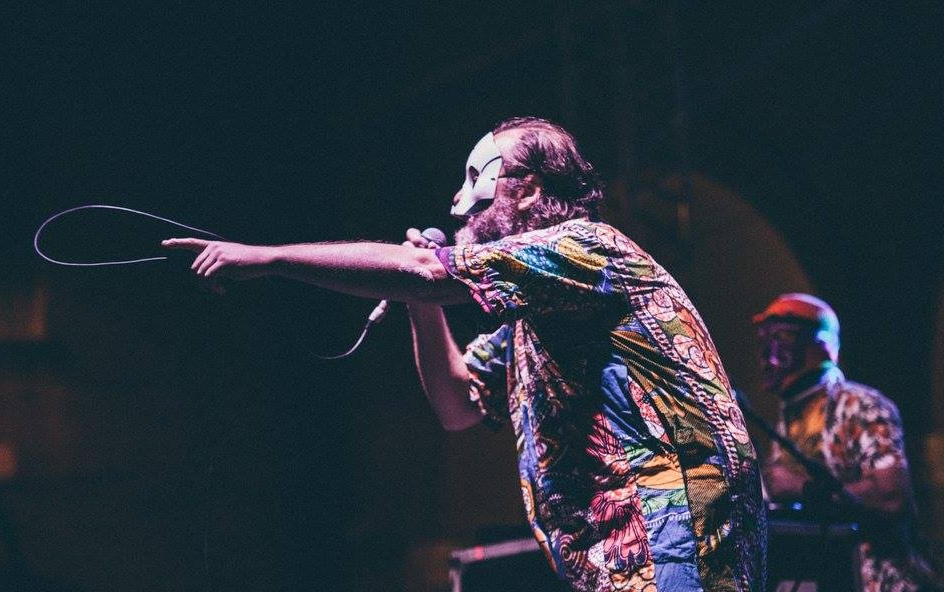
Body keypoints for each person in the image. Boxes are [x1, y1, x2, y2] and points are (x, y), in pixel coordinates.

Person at [164, 117, 766, 591]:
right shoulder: (536, 312)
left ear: (528, 189)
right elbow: (457, 404)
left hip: (672, 525)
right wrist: (420, 302)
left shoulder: (584, 249)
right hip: (619, 548)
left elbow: (429, 274)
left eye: (477, 178)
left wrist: (268, 257)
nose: (459, 200)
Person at [755, 292, 939, 592]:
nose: (768, 353)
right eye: (764, 338)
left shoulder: (860, 405)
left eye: (782, 337)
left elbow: (891, 498)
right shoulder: (789, 417)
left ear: (820, 344)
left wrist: (803, 488)